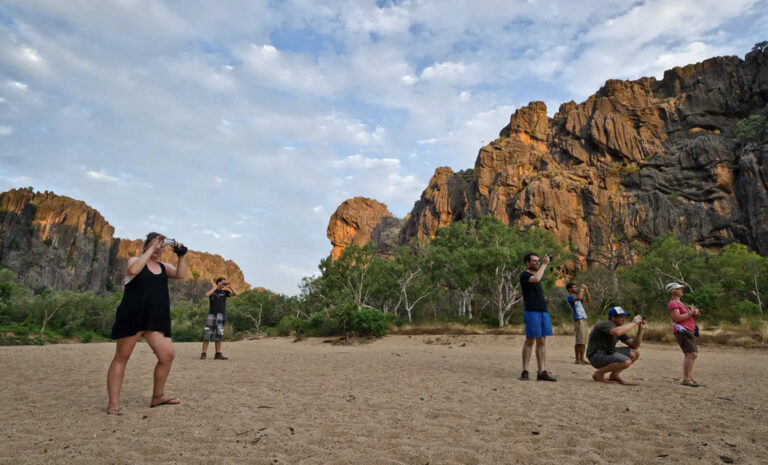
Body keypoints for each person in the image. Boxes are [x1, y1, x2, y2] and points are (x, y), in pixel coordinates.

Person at [106, 233, 188, 415]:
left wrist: (181, 255)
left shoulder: (163, 267)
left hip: (155, 319)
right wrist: (151, 248)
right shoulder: (135, 261)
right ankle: (113, 404)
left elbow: (181, 274)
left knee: (167, 355)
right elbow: (134, 270)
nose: (158, 247)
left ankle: (158, 396)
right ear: (145, 246)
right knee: (121, 357)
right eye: (154, 244)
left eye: (161, 245)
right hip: (132, 316)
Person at [519, 252, 556, 381]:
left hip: (543, 311)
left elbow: (538, 277)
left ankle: (542, 371)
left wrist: (543, 265)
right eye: (534, 261)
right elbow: (536, 279)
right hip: (531, 311)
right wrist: (544, 264)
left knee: (542, 341)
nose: (537, 262)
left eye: (538, 260)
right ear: (527, 263)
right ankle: (525, 370)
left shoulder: (538, 272)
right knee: (530, 340)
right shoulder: (524, 275)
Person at [586, 307, 645, 384]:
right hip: (596, 356)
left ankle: (614, 375)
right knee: (626, 361)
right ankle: (599, 373)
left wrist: (641, 330)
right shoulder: (605, 324)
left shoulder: (618, 328)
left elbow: (634, 345)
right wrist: (634, 323)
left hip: (607, 352)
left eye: (624, 317)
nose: (623, 319)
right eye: (621, 317)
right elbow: (617, 332)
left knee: (635, 353)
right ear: (613, 318)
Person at [666, 282, 701, 387]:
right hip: (683, 330)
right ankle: (686, 378)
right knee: (692, 354)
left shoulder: (681, 303)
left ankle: (689, 377)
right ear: (673, 291)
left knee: (690, 354)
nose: (681, 290)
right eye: (678, 289)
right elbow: (676, 318)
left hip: (688, 330)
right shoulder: (673, 303)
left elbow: (686, 316)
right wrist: (690, 313)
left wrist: (694, 313)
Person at [201, 277, 237, 360]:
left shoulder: (225, 292)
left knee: (219, 335)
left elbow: (235, 294)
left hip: (221, 316)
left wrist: (230, 287)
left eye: (224, 282)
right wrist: (216, 287)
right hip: (212, 315)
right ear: (218, 282)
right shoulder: (213, 291)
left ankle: (218, 354)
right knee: (207, 334)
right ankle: (203, 353)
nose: (224, 284)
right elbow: (207, 294)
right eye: (222, 282)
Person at [566, 282, 591, 365]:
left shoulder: (577, 297)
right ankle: (579, 359)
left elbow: (588, 300)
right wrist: (582, 289)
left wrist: (586, 291)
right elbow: (579, 297)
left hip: (583, 318)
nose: (575, 288)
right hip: (578, 319)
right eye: (574, 287)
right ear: (569, 289)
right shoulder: (570, 297)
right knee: (580, 340)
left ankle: (580, 359)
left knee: (582, 340)